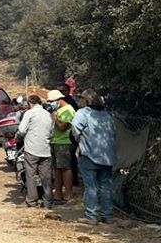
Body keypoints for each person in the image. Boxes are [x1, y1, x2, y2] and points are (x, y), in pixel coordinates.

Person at [71, 89, 116, 224]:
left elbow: (75, 128)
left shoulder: (83, 113)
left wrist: (78, 141)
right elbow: (113, 133)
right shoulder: (107, 115)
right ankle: (107, 216)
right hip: (107, 156)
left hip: (89, 154)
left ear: (85, 100)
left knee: (91, 186)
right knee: (105, 186)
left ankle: (91, 215)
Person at [16, 94, 53, 208]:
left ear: (29, 103)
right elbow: (51, 132)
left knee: (30, 175)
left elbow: (21, 130)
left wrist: (19, 136)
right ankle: (47, 201)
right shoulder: (48, 114)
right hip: (45, 148)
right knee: (46, 176)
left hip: (32, 148)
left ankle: (32, 200)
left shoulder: (29, 113)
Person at [47, 89, 76, 204]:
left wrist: (55, 118)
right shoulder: (58, 110)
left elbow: (62, 127)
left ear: (59, 100)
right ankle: (58, 194)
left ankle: (68, 194)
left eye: (51, 101)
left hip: (64, 142)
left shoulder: (68, 110)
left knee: (65, 168)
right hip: (55, 141)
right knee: (57, 169)